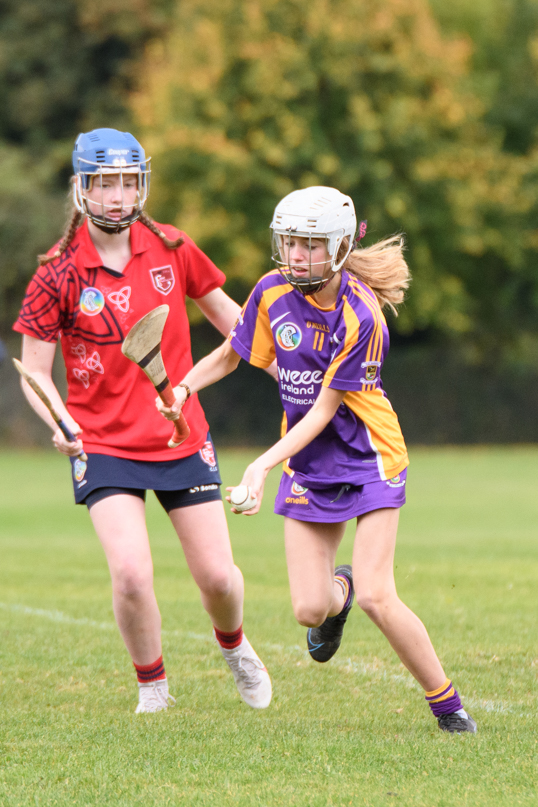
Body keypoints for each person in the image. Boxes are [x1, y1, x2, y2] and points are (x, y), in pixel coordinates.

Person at [157, 186, 477, 734]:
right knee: (310, 610)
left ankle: (448, 707)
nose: (298, 255)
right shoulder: (271, 291)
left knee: (380, 595)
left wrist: (260, 465)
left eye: (311, 244)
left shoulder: (362, 315)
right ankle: (340, 590)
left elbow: (324, 412)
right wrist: (184, 388)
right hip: (310, 465)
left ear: (339, 247)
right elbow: (232, 354)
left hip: (371, 457)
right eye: (291, 243)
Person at [13, 128, 272, 714]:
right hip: (100, 442)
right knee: (131, 573)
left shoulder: (174, 248)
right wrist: (58, 421)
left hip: (180, 435)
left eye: (127, 182)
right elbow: (34, 370)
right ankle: (152, 687)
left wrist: (288, 365)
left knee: (220, 580)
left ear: (141, 185)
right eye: (104, 183)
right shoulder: (56, 273)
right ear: (81, 188)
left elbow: (234, 321)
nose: (117, 196)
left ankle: (232, 645)